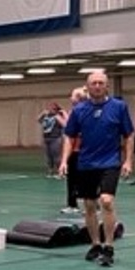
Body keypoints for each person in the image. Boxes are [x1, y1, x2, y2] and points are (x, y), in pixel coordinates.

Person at [59, 71, 134, 267]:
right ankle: (95, 244)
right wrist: (64, 161)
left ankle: (109, 246)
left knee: (106, 201)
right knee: (89, 206)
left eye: (101, 83)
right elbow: (69, 136)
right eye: (94, 83)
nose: (98, 86)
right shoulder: (79, 110)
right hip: (86, 163)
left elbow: (128, 135)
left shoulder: (118, 107)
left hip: (110, 162)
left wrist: (128, 161)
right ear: (88, 86)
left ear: (107, 86)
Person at [59, 87, 88, 215]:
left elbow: (70, 129)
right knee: (76, 179)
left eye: (72, 96)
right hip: (77, 150)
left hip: (79, 150)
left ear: (78, 98)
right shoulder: (75, 111)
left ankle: (79, 205)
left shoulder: (81, 111)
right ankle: (74, 204)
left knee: (79, 179)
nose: (70, 98)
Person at [37, 102, 65, 177]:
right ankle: (50, 170)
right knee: (48, 156)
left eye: (52, 108)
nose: (50, 110)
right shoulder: (46, 116)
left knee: (57, 156)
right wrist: (42, 113)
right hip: (46, 138)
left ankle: (60, 171)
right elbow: (38, 120)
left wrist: (58, 116)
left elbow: (64, 124)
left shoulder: (57, 116)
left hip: (55, 138)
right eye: (49, 108)